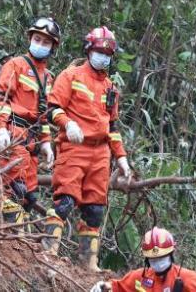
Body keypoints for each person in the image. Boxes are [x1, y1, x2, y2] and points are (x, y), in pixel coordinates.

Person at [43, 26, 131, 270]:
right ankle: (48, 254)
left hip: (100, 154)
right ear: (89, 50)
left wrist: (121, 158)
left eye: (107, 53)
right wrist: (68, 123)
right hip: (74, 147)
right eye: (99, 51)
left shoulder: (111, 88)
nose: (103, 56)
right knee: (65, 201)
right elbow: (52, 109)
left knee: (94, 210)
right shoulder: (71, 76)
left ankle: (87, 266)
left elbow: (112, 127)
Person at [0, 18, 61, 228]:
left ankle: (19, 241)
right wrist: (1, 129)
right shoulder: (16, 65)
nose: (40, 44)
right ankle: (12, 238)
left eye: (46, 42)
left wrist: (47, 144)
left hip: (32, 142)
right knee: (16, 189)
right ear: (30, 38)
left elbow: (43, 115)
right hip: (14, 134)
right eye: (37, 39)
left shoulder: (48, 77)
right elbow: (2, 100)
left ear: (52, 47)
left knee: (30, 196)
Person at [90, 227, 196, 292]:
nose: (158, 261)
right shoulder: (141, 277)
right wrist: (105, 286)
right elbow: (120, 286)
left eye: (161, 257)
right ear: (147, 259)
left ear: (171, 254)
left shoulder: (186, 278)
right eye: (154, 258)